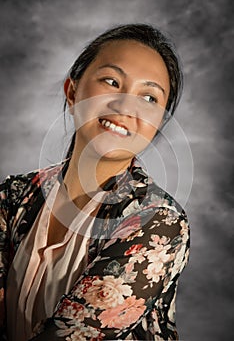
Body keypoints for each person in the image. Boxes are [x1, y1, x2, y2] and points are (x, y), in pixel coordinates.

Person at [0, 24, 189, 340]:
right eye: (112, 82)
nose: (126, 107)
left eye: (149, 97)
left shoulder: (158, 222)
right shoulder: (13, 197)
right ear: (72, 91)